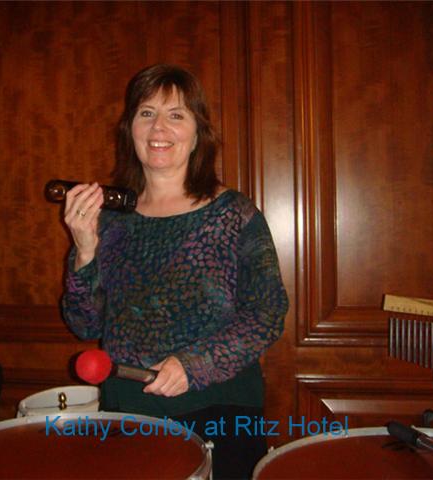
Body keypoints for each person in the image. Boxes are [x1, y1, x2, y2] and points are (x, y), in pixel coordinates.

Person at [61, 64, 288, 479]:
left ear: (198, 133)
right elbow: (83, 323)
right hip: (127, 411)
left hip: (220, 410)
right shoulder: (108, 220)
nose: (158, 128)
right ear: (129, 128)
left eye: (176, 114)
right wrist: (85, 249)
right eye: (146, 113)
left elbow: (267, 313)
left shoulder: (234, 214)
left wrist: (194, 366)